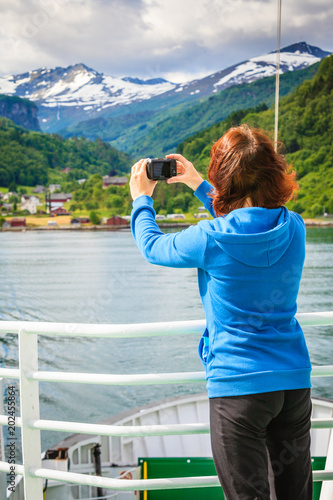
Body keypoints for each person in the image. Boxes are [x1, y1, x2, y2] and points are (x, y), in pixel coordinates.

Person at [129, 124, 312, 500]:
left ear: (224, 180)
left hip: (238, 386)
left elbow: (152, 246)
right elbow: (251, 214)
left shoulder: (209, 237)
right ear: (275, 172)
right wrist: (196, 183)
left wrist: (141, 199)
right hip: (293, 383)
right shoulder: (295, 227)